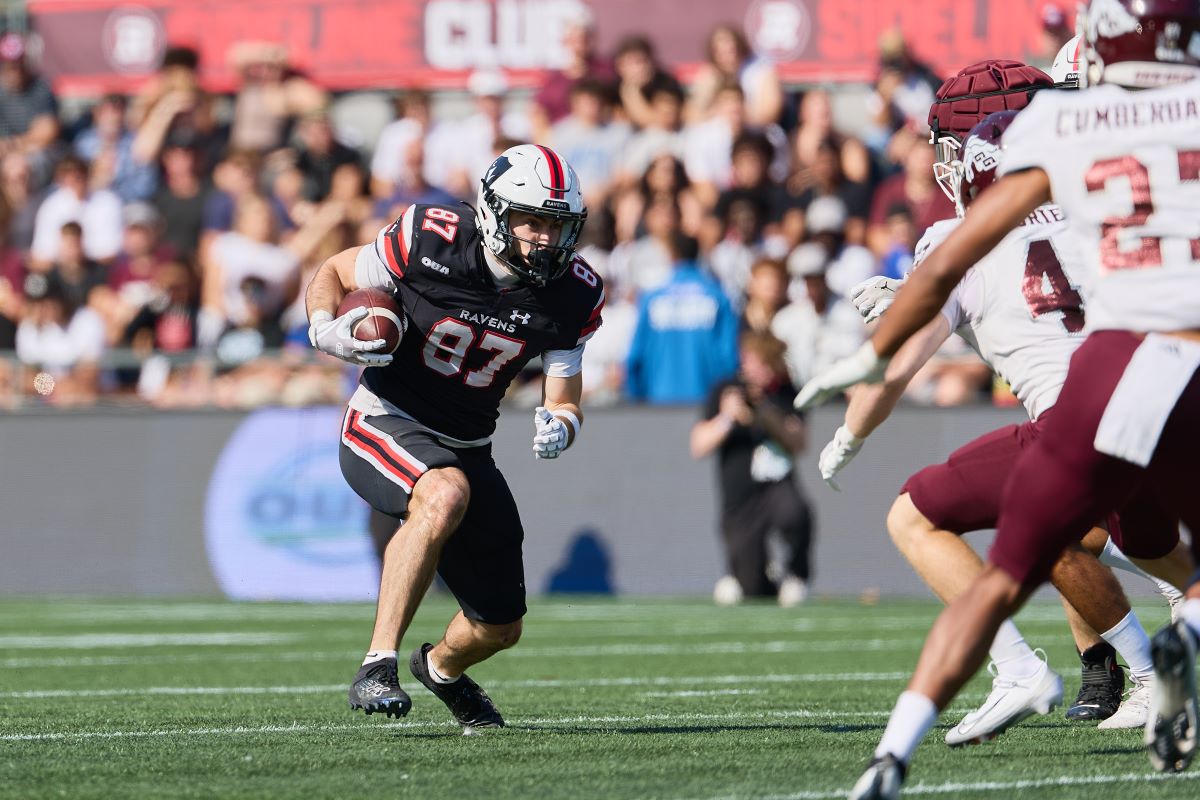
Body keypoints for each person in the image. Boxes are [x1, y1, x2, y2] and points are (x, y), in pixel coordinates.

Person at [793, 3, 1200, 795]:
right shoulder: (1129, 137)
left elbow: (949, 280)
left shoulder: (1047, 159)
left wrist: (871, 355)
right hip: (1170, 374)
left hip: (1083, 406)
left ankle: (905, 746)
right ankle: (1169, 645)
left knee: (986, 539)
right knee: (1153, 560)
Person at [304, 144, 603, 728]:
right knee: (443, 495)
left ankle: (439, 669)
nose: (546, 239)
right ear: (494, 212)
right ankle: (377, 663)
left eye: (556, 225)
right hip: (385, 416)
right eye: (532, 221)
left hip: (469, 444)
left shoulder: (573, 293)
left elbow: (564, 395)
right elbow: (336, 271)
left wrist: (562, 424)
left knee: (499, 626)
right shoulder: (431, 236)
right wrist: (324, 329)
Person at [691, 330, 811, 607]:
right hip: (740, 496)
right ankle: (764, 577)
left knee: (795, 513)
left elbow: (799, 442)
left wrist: (766, 413)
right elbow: (698, 445)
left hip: (777, 485)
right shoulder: (725, 389)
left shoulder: (786, 392)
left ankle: (796, 575)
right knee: (751, 587)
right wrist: (727, 418)